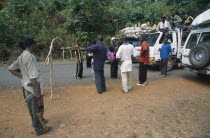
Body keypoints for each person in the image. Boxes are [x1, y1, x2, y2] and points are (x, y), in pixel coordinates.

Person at [8, 38, 51, 136]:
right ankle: (39, 129)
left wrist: (23, 76)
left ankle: (36, 122)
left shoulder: (21, 56)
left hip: (26, 86)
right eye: (35, 45)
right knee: (36, 108)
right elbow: (33, 77)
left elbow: (11, 69)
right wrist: (37, 92)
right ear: (32, 45)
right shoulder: (31, 57)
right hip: (32, 86)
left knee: (31, 108)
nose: (36, 47)